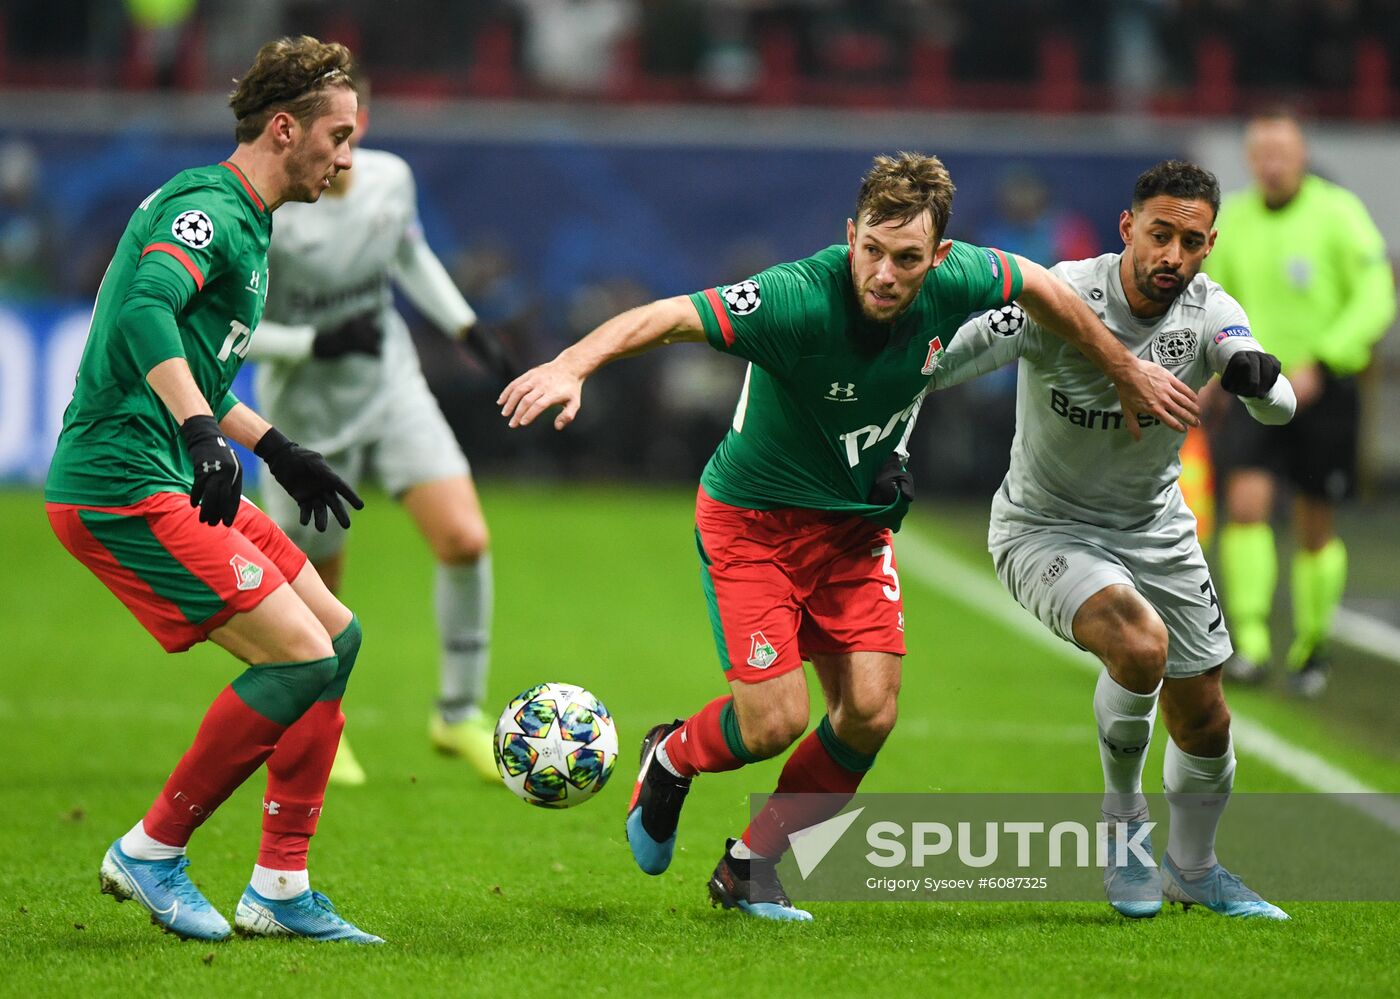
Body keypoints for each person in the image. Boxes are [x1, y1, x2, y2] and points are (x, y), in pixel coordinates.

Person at [499, 152, 1200, 921]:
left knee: (869, 711)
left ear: (938, 258)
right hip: (754, 523)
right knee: (774, 721)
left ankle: (750, 866)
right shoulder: (796, 297)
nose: (886, 274)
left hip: (852, 531)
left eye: (907, 259)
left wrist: (1122, 368)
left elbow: (1040, 287)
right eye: (872, 250)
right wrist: (573, 362)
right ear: (850, 236)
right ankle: (671, 755)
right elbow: (668, 315)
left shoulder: (963, 278)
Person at [44, 36, 381, 944]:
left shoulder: (249, 220)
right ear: (284, 129)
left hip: (161, 474)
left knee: (337, 640)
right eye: (339, 137)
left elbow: (196, 361)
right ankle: (152, 848)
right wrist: (197, 431)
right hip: (120, 485)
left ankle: (279, 884)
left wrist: (276, 446)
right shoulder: (210, 208)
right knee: (298, 658)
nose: (347, 159)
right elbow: (149, 307)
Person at [935, 160, 1294, 920]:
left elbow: (1263, 387)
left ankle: (1193, 869)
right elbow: (943, 364)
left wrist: (1256, 376)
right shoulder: (1057, 295)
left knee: (1207, 717)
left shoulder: (1208, 310)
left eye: (1190, 242)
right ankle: (1123, 819)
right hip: (1045, 527)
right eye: (1159, 234)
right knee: (1138, 644)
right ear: (1128, 228)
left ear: (1208, 245)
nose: (1172, 255)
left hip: (1156, 529)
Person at [248, 76, 513, 785]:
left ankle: (457, 714)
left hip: (392, 389)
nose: (350, 139)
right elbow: (226, 333)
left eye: (353, 120)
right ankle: (319, 730)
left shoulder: (390, 179)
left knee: (465, 538)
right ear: (292, 128)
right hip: (305, 418)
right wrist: (313, 343)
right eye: (333, 126)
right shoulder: (267, 212)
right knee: (321, 586)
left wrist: (464, 325)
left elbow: (410, 254)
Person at [1202, 109, 1396, 696]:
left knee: (1315, 518)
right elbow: (1214, 294)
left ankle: (1312, 646)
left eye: (1282, 151)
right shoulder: (1233, 219)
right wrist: (1209, 369)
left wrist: (1329, 358)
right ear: (1249, 158)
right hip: (1254, 382)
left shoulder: (1338, 214)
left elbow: (1375, 293)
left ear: (1302, 154)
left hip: (1325, 389)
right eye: (1262, 152)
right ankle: (1253, 643)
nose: (1273, 162)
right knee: (1245, 504)